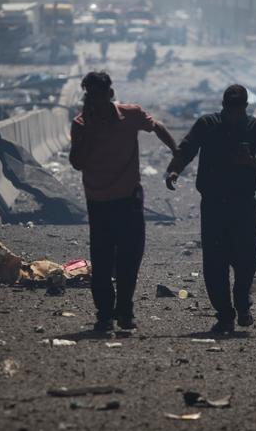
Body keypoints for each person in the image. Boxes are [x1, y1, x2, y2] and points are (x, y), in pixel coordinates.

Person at [69, 71, 179, 332]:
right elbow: (76, 163)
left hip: (129, 198)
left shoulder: (130, 115)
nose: (96, 101)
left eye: (100, 95)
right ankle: (104, 315)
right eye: (91, 96)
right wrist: (89, 133)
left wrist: (177, 153)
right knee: (102, 261)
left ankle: (125, 311)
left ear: (110, 94)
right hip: (98, 201)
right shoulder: (81, 123)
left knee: (130, 257)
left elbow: (157, 127)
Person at [166, 85, 256, 334]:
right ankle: (225, 314)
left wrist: (250, 162)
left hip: (243, 203)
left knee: (246, 258)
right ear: (223, 106)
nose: (234, 115)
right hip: (214, 204)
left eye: (238, 110)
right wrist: (174, 170)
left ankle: (242, 304)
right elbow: (187, 149)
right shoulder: (208, 124)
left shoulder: (255, 128)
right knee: (215, 262)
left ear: (245, 107)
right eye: (230, 110)